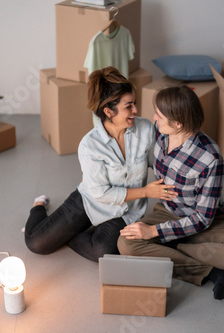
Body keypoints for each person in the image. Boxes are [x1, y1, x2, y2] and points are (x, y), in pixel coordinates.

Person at [23, 67, 177, 262]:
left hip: (125, 212)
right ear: (108, 111)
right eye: (128, 106)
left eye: (135, 104)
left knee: (103, 252)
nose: (135, 110)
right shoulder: (89, 145)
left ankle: (66, 235)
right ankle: (39, 205)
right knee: (36, 243)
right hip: (89, 201)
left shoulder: (145, 129)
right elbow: (100, 193)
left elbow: (159, 164)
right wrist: (147, 191)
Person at [118, 85, 224, 300]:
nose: (154, 118)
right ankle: (213, 271)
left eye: (160, 116)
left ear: (178, 124)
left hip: (203, 220)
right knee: (125, 243)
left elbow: (202, 218)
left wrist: (155, 233)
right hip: (168, 211)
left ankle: (174, 244)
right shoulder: (160, 135)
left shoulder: (210, 158)